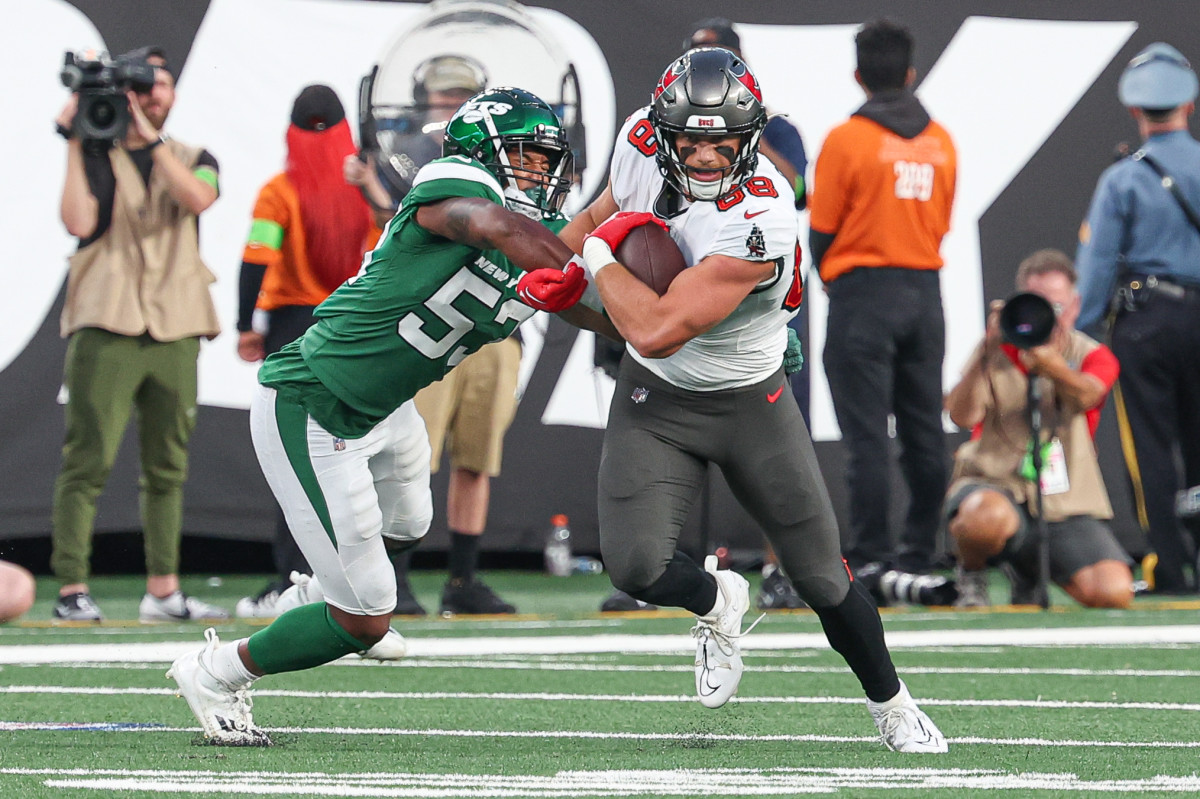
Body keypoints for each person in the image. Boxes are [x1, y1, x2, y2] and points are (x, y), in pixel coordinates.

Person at [167, 87, 610, 746]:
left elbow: (567, 274)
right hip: (313, 404)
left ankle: (318, 587)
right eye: (529, 158)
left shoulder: (526, 243)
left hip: (383, 405)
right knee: (367, 618)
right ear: (489, 154)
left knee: (410, 520)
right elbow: (496, 229)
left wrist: (634, 220)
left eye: (548, 161)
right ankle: (215, 671)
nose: (544, 175)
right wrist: (578, 274)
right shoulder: (453, 182)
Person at [563, 47, 946, 753]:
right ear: (662, 132)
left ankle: (892, 703)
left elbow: (653, 323)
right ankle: (718, 600)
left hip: (751, 401)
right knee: (637, 566)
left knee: (823, 577)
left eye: (722, 142)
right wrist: (547, 272)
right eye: (691, 140)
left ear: (751, 137)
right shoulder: (639, 144)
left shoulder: (762, 212)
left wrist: (591, 260)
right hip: (655, 396)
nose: (706, 156)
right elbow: (597, 216)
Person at [51, 46, 227, 623]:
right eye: (139, 86)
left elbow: (198, 196)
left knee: (167, 464)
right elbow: (78, 221)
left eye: (159, 85)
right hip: (106, 321)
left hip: (176, 323)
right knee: (88, 459)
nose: (149, 96)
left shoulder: (197, 156)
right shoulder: (96, 153)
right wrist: (79, 137)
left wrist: (148, 140)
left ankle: (163, 590)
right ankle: (72, 588)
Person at [346, 55, 525, 616]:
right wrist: (372, 182)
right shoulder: (407, 156)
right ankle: (393, 578)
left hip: (489, 323)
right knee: (409, 457)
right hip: (426, 323)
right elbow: (401, 222)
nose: (452, 105)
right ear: (423, 98)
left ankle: (461, 579)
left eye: (462, 97)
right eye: (445, 97)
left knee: (478, 455)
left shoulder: (507, 159)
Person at [808, 18, 957, 576]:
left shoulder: (848, 139)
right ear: (912, 73)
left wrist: (834, 275)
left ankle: (871, 555)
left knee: (867, 436)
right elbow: (939, 223)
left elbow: (821, 229)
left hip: (863, 294)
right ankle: (920, 552)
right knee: (923, 431)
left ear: (858, 76)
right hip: (924, 291)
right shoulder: (941, 141)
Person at [676, 16, 812, 613]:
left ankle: (782, 565)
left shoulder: (775, 130)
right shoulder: (657, 133)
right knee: (667, 435)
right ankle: (668, 562)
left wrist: (742, 144)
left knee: (772, 451)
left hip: (750, 293)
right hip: (679, 290)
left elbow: (793, 191)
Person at [233, 85, 377, 619]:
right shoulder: (368, 192)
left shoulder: (279, 191)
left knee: (292, 455)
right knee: (349, 456)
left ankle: (287, 579)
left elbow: (256, 259)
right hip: (353, 327)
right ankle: (356, 577)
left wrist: (246, 325)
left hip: (293, 330)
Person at [1075, 42, 1200, 595]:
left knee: (1149, 449)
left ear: (1135, 111)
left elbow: (1097, 266)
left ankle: (1169, 570)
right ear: (1189, 105)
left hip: (1146, 323)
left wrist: (1083, 334)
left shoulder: (1122, 180)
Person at [945, 249, 1133, 608]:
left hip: (1063, 500)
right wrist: (987, 349)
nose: (1048, 315)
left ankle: (1026, 570)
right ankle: (971, 573)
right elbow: (961, 416)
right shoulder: (995, 349)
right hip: (995, 485)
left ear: (1075, 306)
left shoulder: (1091, 355)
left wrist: (1054, 368)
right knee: (985, 519)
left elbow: (1088, 395)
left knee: (1113, 592)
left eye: (1057, 306)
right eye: (1037, 304)